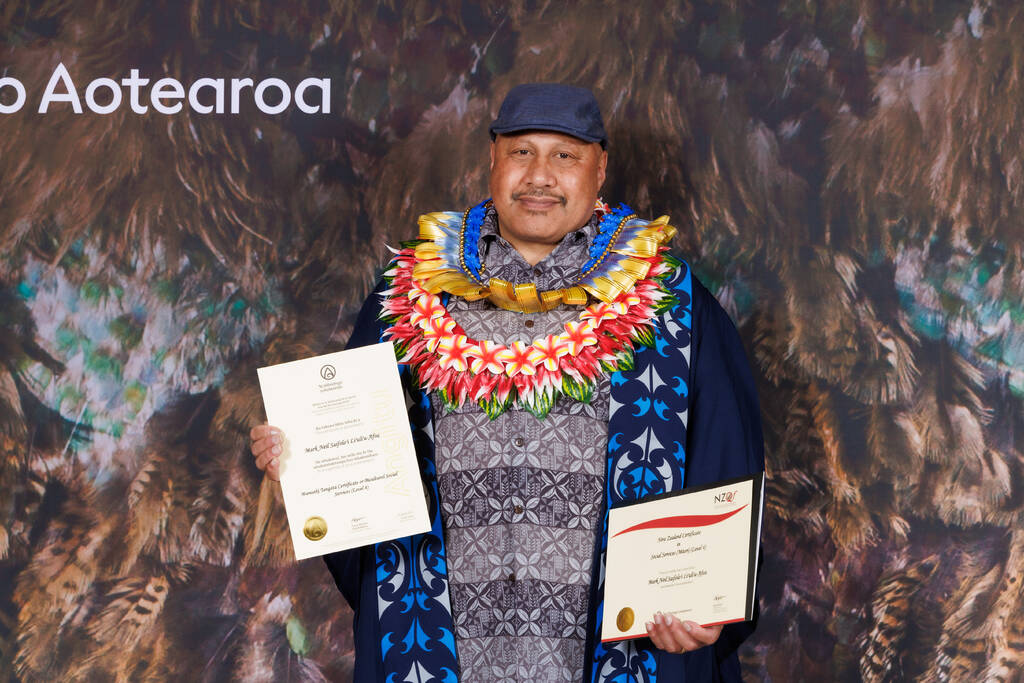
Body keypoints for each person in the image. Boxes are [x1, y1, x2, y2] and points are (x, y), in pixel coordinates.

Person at [251, 83, 764, 682]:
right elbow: (356, 476)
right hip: (448, 650)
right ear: (492, 159)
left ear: (601, 169)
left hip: (612, 654)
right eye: (521, 152)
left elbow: (727, 465)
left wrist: (705, 608)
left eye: (565, 156)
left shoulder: (671, 303)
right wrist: (304, 459)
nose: (539, 176)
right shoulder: (409, 294)